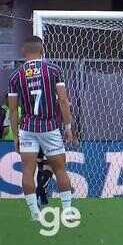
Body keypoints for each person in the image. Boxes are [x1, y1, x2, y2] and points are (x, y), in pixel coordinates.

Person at [8, 36, 76, 221]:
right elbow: (63, 101)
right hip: (49, 127)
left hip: (27, 128)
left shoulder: (16, 75)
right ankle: (68, 211)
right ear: (42, 50)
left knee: (28, 170)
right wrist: (68, 126)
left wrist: (15, 137)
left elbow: (13, 110)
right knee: (60, 168)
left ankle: (34, 212)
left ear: (23, 52)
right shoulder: (53, 70)